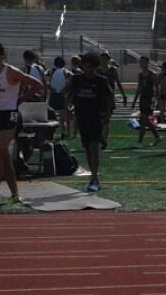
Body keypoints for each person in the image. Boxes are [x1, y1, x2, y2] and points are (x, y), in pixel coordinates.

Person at [0, 42, 45, 209]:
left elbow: (37, 84)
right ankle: (15, 194)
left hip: (10, 116)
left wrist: (22, 99)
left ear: (1, 57)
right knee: (3, 156)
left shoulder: (11, 72)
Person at [67, 53, 114, 193]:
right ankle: (94, 178)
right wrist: (69, 105)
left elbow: (109, 96)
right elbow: (70, 93)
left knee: (94, 147)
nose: (88, 70)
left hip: (95, 117)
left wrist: (107, 113)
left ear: (95, 67)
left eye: (91, 67)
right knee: (87, 148)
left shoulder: (101, 81)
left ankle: (94, 178)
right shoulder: (76, 79)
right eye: (86, 67)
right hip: (82, 117)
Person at [97, 52, 125, 148]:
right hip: (99, 98)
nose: (103, 61)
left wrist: (124, 95)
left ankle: (104, 139)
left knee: (106, 120)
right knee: (99, 120)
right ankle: (100, 137)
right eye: (102, 59)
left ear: (108, 60)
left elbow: (118, 83)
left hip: (109, 98)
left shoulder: (113, 70)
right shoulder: (97, 71)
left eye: (105, 59)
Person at [133, 55, 162, 146]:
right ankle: (157, 137)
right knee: (145, 121)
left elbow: (157, 87)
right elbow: (139, 88)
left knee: (143, 119)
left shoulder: (152, 74)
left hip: (150, 99)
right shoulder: (140, 75)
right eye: (140, 62)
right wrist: (134, 101)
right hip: (143, 98)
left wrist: (158, 100)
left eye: (143, 62)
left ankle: (139, 141)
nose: (141, 64)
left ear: (147, 63)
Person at [48, 56, 71, 139]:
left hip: (54, 95)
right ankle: (63, 133)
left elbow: (47, 82)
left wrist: (52, 88)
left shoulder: (51, 71)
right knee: (62, 116)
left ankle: (51, 133)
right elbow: (70, 81)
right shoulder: (66, 72)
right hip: (62, 95)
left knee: (51, 115)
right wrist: (64, 89)